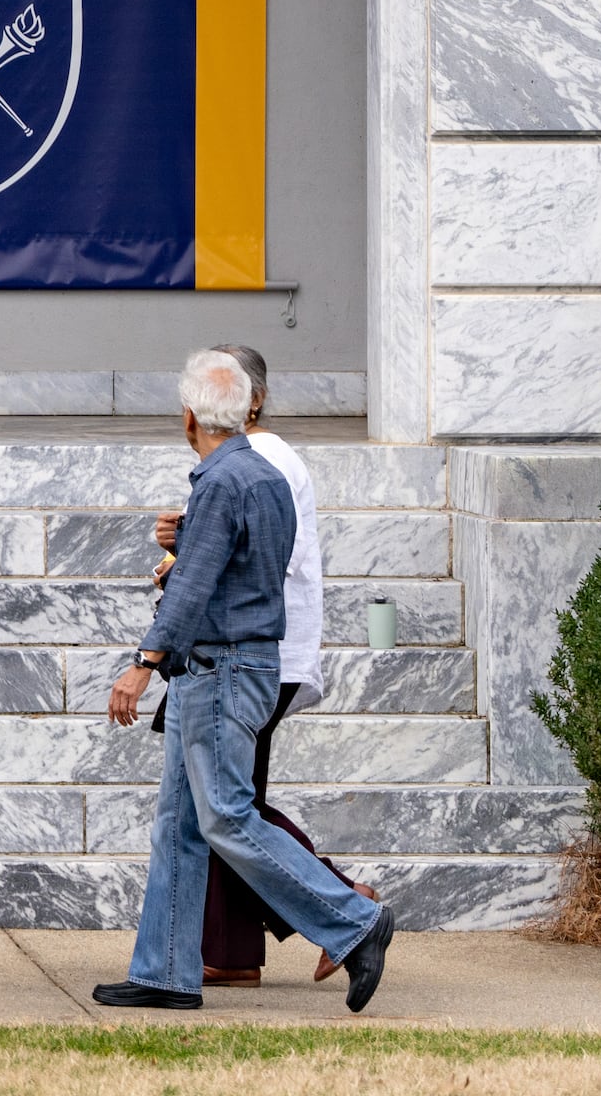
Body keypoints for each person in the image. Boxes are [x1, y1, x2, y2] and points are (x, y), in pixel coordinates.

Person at [95, 350, 393, 1014]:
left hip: (222, 670)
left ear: (191, 415)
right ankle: (166, 972)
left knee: (226, 816)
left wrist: (143, 664)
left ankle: (354, 921)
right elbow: (237, 572)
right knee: (180, 823)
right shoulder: (256, 477)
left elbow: (197, 586)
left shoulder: (223, 482)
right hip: (234, 665)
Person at [167, 346, 375, 985]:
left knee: (230, 805)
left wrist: (187, 563)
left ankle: (347, 903)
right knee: (229, 799)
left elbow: (261, 559)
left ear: (252, 399)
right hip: (249, 647)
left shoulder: (266, 461)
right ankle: (230, 953)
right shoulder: (242, 461)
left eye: (224, 386)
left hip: (259, 653)